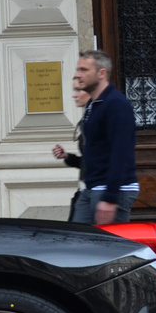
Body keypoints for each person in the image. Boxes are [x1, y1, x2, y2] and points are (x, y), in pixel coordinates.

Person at [66, 50, 138, 225]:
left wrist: (110, 196)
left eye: (84, 70)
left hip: (112, 190)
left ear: (101, 73)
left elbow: (121, 152)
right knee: (77, 242)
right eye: (78, 69)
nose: (78, 75)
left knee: (109, 249)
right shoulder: (94, 104)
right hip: (91, 188)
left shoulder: (116, 104)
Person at [52, 86, 91, 220]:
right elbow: (88, 161)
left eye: (79, 91)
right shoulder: (87, 117)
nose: (74, 95)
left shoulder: (100, 118)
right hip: (85, 190)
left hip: (97, 191)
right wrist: (67, 157)